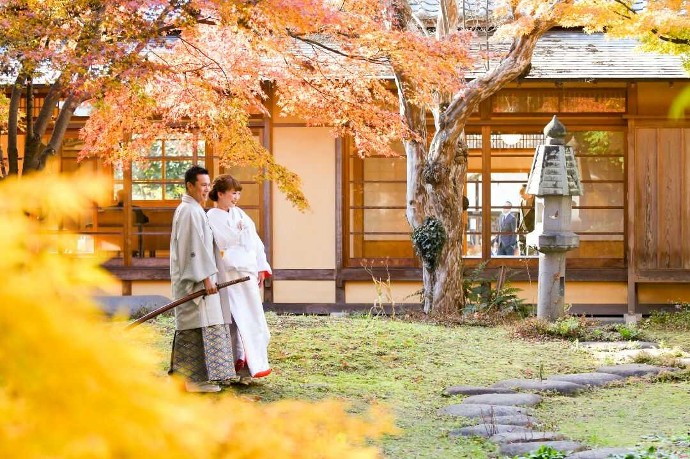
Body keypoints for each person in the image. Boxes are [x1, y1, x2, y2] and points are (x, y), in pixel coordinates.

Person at [168, 166, 235, 392]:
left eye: (208, 185)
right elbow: (193, 249)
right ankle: (193, 381)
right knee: (195, 329)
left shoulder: (193, 209)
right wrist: (206, 278)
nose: (207, 190)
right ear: (190, 186)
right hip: (195, 282)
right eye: (203, 185)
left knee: (201, 327)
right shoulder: (189, 211)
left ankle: (194, 380)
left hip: (200, 279)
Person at [207, 174, 272, 382]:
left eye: (238, 193)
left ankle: (250, 369)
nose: (236, 197)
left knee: (252, 319)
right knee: (231, 321)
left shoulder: (241, 215)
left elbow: (256, 242)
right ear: (220, 194)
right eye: (233, 193)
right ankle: (230, 367)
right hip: (227, 276)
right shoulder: (209, 218)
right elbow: (212, 248)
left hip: (247, 276)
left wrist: (261, 267)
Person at [518, 184, 535, 255]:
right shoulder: (521, 202)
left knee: (530, 254)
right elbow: (520, 216)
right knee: (521, 255)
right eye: (520, 194)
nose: (521, 196)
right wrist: (518, 227)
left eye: (522, 194)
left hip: (531, 231)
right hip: (522, 232)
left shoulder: (536, 202)